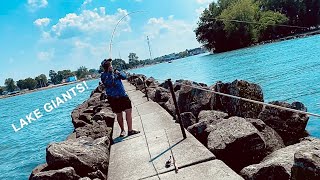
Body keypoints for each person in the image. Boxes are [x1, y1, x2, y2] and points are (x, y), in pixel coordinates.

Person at [101, 58, 140, 137]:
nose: (111, 66)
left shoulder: (116, 71)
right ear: (106, 66)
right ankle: (122, 130)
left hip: (122, 95)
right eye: (110, 65)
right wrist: (110, 74)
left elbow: (124, 77)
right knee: (119, 114)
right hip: (113, 97)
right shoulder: (104, 75)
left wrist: (117, 73)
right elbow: (108, 83)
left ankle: (130, 130)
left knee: (128, 111)